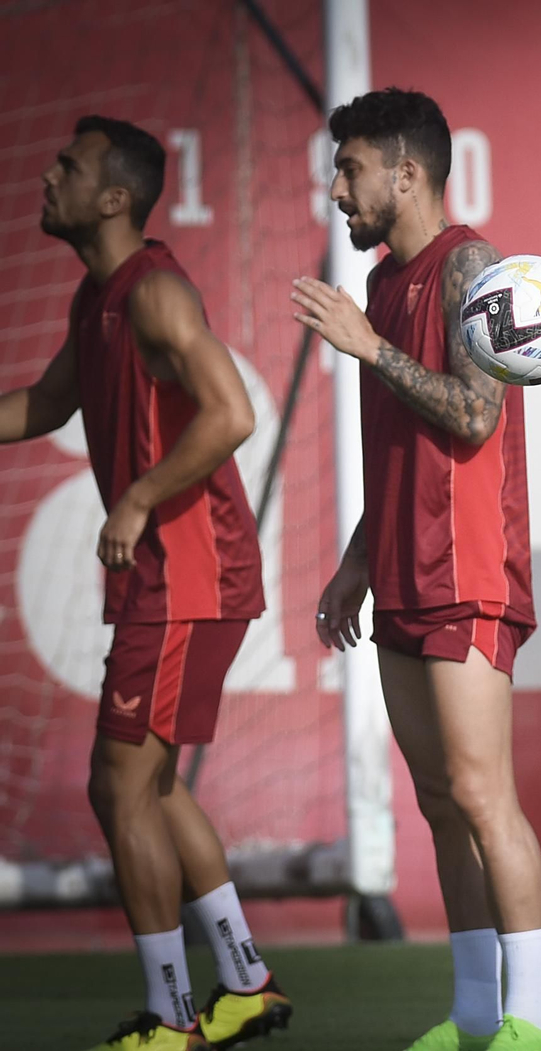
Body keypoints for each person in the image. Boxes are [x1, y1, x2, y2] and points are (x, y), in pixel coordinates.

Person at [3, 115, 289, 1051]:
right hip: (176, 582)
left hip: (187, 578)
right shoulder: (100, 298)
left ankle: (174, 1021)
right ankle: (244, 983)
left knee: (115, 787)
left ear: (115, 197)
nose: (49, 177)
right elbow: (45, 406)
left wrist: (135, 501)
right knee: (153, 787)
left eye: (70, 167)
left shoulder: (155, 290)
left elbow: (233, 412)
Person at [292, 88, 541, 1051]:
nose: (336, 189)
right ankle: (476, 1012)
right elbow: (402, 444)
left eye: (350, 168)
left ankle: (533, 1018)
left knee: (486, 795)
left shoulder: (472, 265)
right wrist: (357, 562)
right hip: (401, 572)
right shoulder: (382, 285)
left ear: (405, 172)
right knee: (441, 802)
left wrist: (371, 348)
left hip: (470, 569)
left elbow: (475, 414)